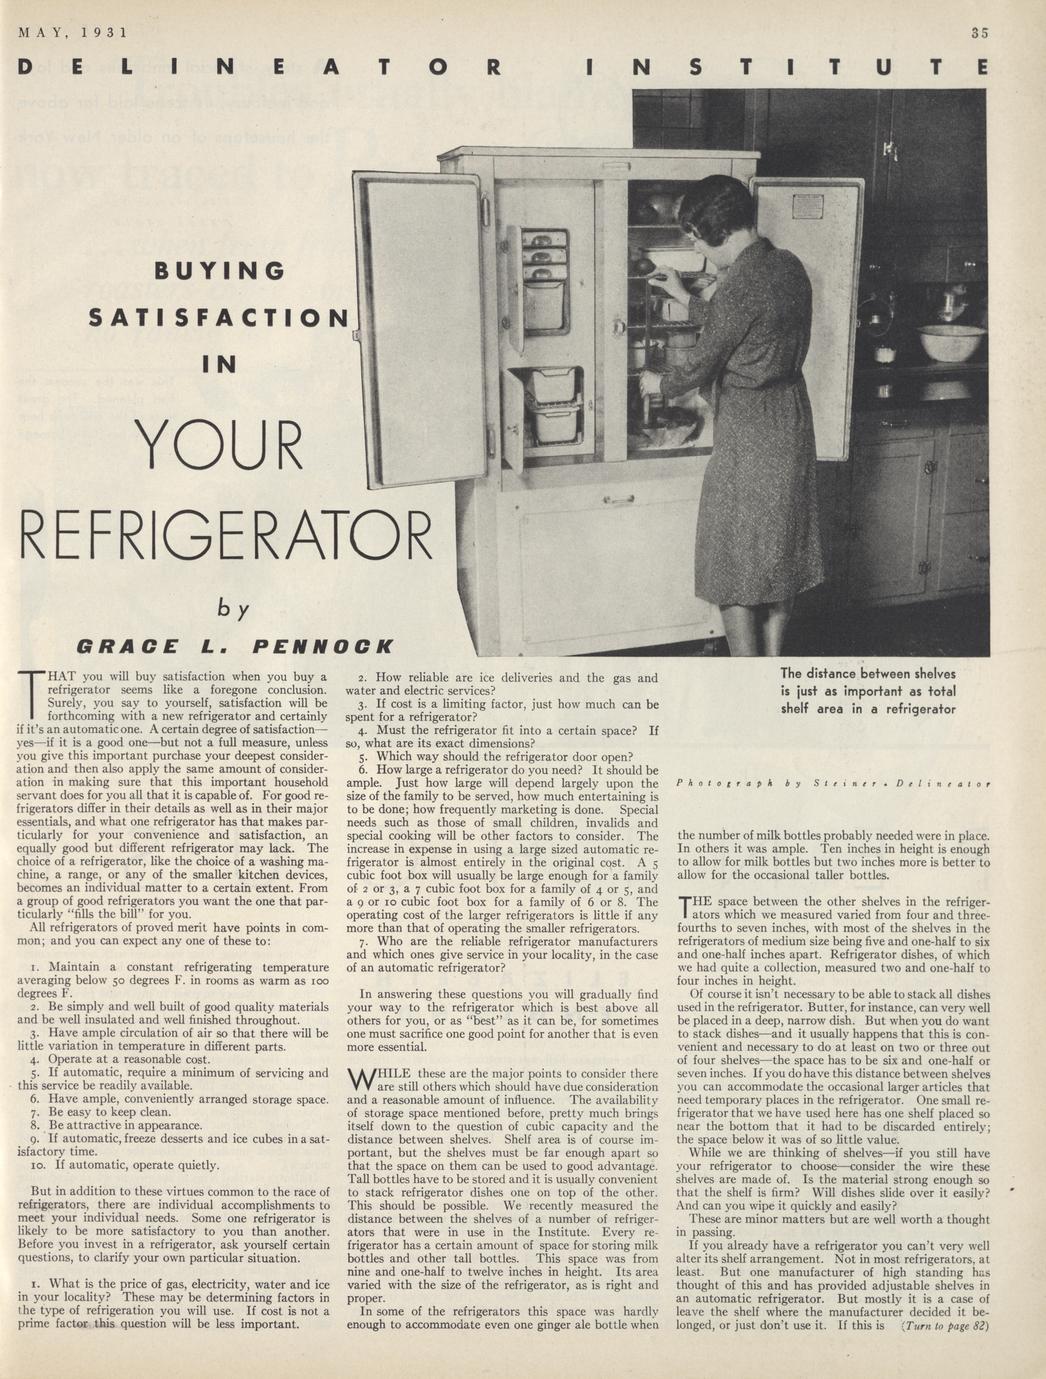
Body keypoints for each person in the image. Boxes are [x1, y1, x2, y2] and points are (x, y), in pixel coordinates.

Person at [639, 175, 823, 657]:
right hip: (790, 418)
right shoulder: (787, 266)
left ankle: (745, 671)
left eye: (697, 238)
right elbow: (742, 324)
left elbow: (706, 357)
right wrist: (687, 298)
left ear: (718, 233)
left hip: (749, 428)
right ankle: (772, 664)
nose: (698, 250)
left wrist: (661, 383)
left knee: (731, 555)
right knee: (780, 547)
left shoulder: (739, 283)